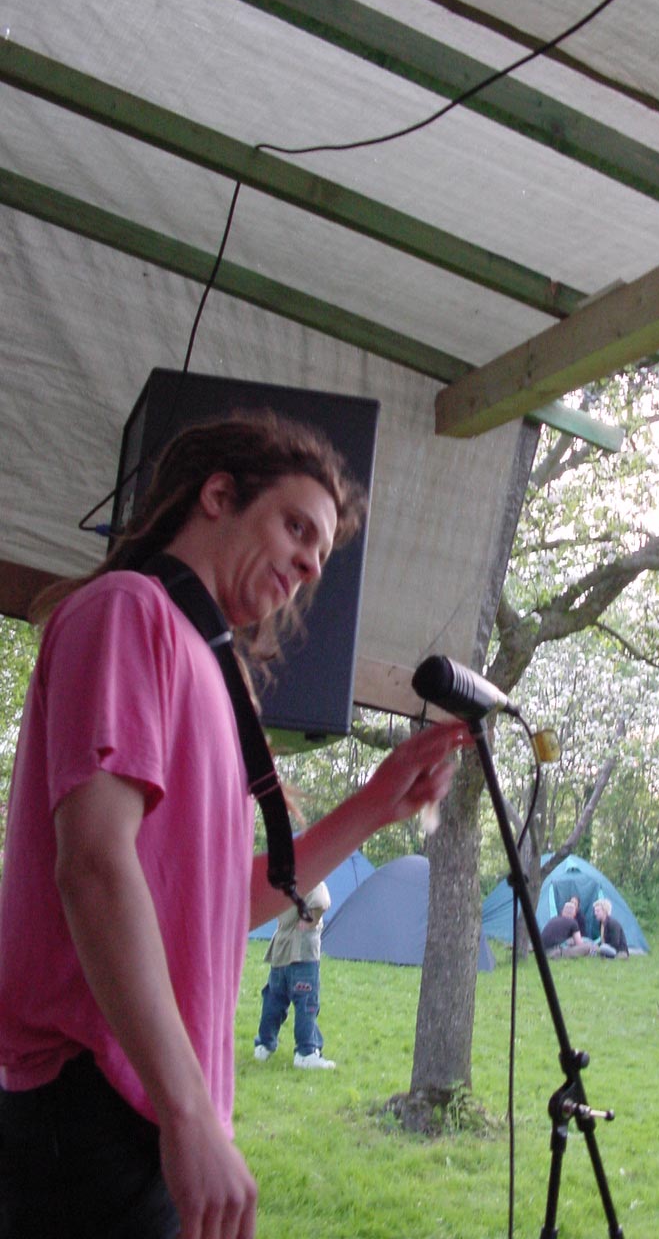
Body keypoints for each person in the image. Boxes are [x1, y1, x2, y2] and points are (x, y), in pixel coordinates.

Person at [0, 410, 468, 1239]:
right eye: (297, 528)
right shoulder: (127, 611)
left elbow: (223, 903)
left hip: (152, 1100)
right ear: (218, 495)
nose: (310, 564)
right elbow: (94, 866)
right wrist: (186, 1112)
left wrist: (377, 803)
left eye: (321, 553)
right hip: (92, 1099)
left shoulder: (218, 674)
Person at [254, 880, 334, 1071]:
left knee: (274, 1000)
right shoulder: (313, 878)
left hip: (280, 951)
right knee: (307, 1004)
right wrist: (307, 923)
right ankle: (306, 1052)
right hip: (303, 953)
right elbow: (321, 901)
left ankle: (264, 1044)